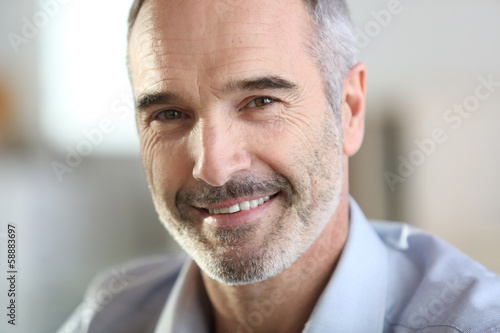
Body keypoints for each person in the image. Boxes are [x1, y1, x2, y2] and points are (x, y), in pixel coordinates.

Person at [58, 0, 500, 332]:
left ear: (348, 109)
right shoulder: (106, 318)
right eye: (170, 114)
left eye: (261, 102)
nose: (213, 167)